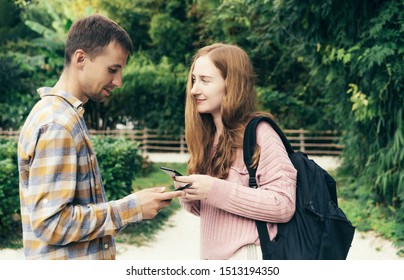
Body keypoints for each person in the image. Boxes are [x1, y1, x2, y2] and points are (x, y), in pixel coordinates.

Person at [17, 14, 183, 260]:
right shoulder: (58, 124)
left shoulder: (65, 116)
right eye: (112, 70)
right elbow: (50, 224)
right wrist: (131, 208)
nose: (119, 82)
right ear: (81, 58)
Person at [174, 43, 297, 260]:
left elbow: (284, 204)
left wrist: (213, 188)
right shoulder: (209, 138)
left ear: (231, 84)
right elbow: (215, 212)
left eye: (205, 80)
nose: (194, 89)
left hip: (246, 257)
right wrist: (189, 195)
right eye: (194, 80)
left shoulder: (261, 133)